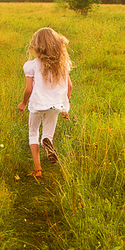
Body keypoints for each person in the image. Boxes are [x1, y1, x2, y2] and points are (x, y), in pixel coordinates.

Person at [17, 27, 73, 178]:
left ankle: (38, 169)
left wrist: (23, 103)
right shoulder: (63, 65)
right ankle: (47, 142)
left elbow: (29, 89)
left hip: (37, 104)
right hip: (56, 105)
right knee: (47, 134)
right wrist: (65, 109)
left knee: (33, 132)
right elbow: (69, 86)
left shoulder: (32, 65)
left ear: (36, 45)